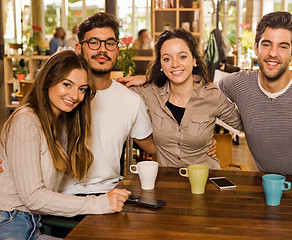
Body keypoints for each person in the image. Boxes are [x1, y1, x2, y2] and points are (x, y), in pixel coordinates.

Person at [118, 11, 292, 175]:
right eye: (267, 44)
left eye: (283, 46)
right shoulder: (237, 83)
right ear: (256, 47)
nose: (273, 53)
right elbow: (197, 84)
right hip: (265, 182)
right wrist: (155, 75)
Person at [0, 50, 130, 239]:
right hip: (11, 223)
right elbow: (34, 198)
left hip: (31, 224)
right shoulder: (27, 121)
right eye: (67, 84)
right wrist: (99, 204)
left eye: (82, 89)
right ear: (48, 80)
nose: (75, 95)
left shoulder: (59, 123)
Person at [59, 12, 156, 196]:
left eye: (110, 43)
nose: (102, 50)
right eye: (94, 42)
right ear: (79, 49)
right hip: (60, 195)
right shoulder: (60, 94)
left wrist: (197, 141)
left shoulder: (131, 100)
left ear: (117, 51)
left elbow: (153, 147)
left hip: (109, 195)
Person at [127, 29, 243, 169]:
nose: (175, 64)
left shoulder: (213, 96)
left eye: (182, 57)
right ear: (161, 66)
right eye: (167, 59)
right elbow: (111, 91)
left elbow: (247, 125)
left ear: (193, 60)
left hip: (207, 180)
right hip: (169, 183)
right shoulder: (151, 93)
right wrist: (147, 78)